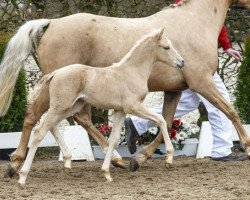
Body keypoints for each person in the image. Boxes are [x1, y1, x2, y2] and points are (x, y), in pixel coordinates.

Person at [125, 0, 246, 161]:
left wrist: (226, 46)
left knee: (189, 102)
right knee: (220, 102)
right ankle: (221, 151)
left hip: (192, 57)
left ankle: (137, 122)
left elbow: (212, 20)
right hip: (196, 59)